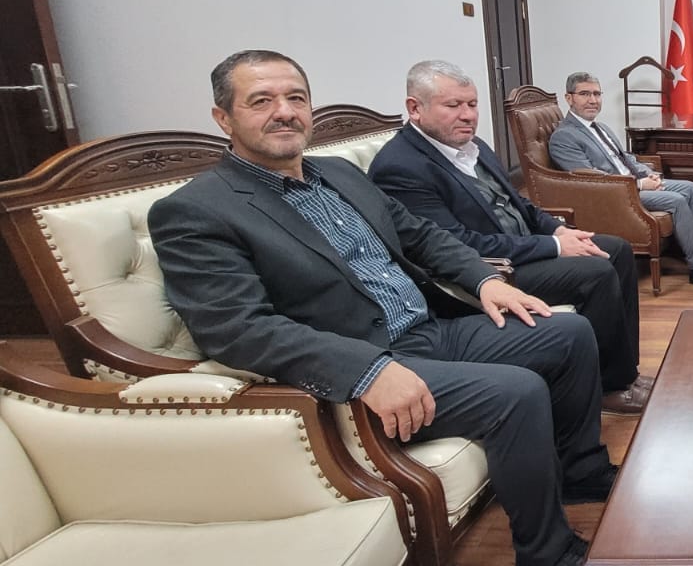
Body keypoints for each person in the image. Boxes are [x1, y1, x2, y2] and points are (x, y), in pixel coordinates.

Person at [150, 50, 608, 566]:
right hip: (364, 355)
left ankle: (580, 474)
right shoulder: (195, 211)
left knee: (570, 333)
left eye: (295, 97)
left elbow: (421, 235)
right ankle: (550, 554)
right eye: (261, 101)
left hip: (428, 326)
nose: (284, 111)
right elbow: (235, 329)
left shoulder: (338, 174)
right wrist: (366, 370)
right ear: (223, 118)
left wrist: (483, 281)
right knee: (516, 391)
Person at [368, 60, 653, 414]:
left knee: (616, 249)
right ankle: (609, 389)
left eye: (471, 104)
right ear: (415, 108)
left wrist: (558, 229)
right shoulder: (401, 167)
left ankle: (624, 371)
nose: (467, 115)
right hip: (491, 270)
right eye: (453, 105)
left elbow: (520, 204)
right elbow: (459, 244)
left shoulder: (476, 147)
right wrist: (553, 246)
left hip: (522, 247)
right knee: (595, 272)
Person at [548, 71, 693, 287]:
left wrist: (647, 174)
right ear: (569, 98)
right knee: (676, 201)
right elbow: (589, 180)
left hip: (632, 183)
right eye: (585, 94)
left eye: (597, 94)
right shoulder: (564, 136)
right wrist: (639, 184)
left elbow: (626, 158)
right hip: (615, 194)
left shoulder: (599, 127)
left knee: (691, 188)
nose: (593, 100)